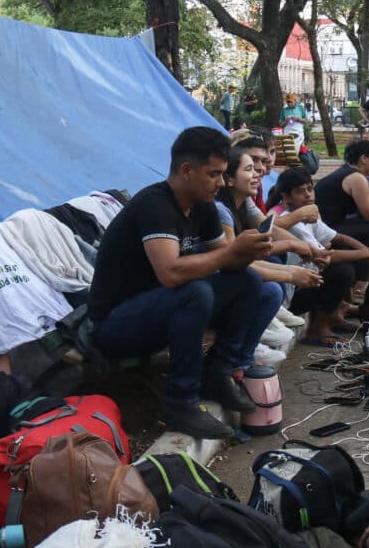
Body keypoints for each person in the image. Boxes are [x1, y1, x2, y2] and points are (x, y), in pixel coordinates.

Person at [88, 127, 273, 439]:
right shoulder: (155, 205)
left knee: (251, 284)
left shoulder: (203, 205)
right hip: (116, 324)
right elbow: (170, 273)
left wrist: (249, 250)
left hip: (162, 308)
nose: (221, 183)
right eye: (214, 174)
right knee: (195, 291)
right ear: (187, 171)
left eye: (224, 174)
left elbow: (225, 262)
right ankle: (180, 401)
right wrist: (233, 250)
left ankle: (216, 372)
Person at [215, 148, 323, 365]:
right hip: (219, 282)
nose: (258, 172)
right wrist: (290, 274)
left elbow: (270, 229)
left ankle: (246, 351)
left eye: (261, 164)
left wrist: (302, 246)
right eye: (250, 167)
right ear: (229, 179)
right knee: (267, 281)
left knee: (274, 269)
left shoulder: (245, 202)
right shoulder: (220, 210)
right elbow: (230, 260)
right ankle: (239, 354)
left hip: (234, 273)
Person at [278, 167, 369, 347]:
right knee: (342, 270)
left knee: (355, 255)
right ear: (286, 197)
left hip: (312, 280)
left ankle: (334, 317)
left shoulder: (309, 217)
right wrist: (366, 254)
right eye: (300, 191)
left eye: (310, 189)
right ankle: (315, 329)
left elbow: (337, 237)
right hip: (294, 296)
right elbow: (324, 256)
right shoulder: (291, 222)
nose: (308, 195)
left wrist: (366, 251)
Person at [313, 139, 369, 274]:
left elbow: (366, 212)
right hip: (324, 229)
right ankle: (364, 277)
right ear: (364, 159)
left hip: (328, 224)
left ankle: (366, 269)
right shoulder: (356, 178)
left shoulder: (348, 172)